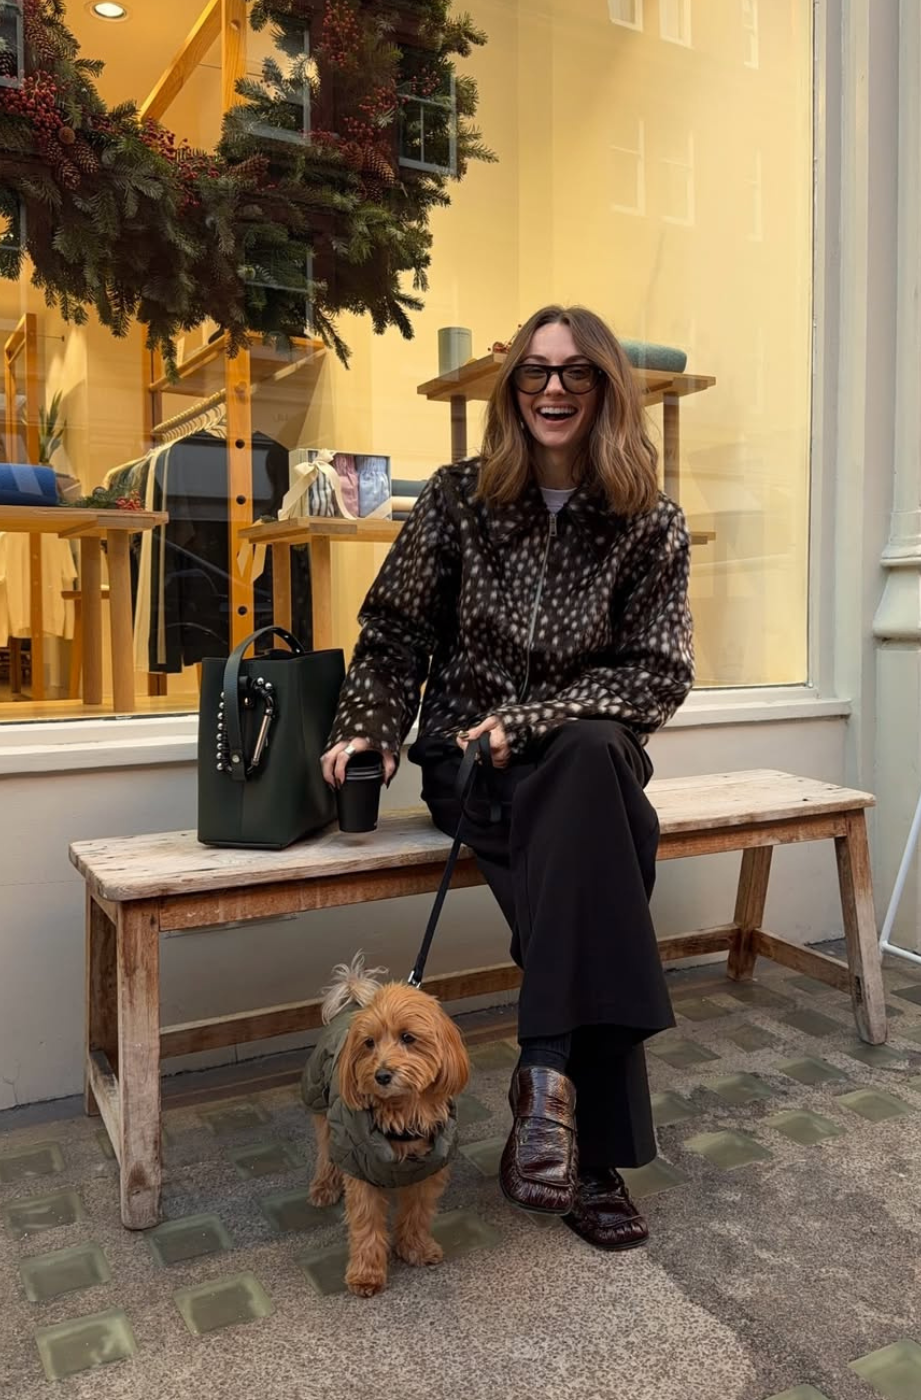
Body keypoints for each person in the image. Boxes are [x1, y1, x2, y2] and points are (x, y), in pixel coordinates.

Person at [321, 304, 694, 1250]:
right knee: (605, 850)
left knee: (589, 760)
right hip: (474, 774)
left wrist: (529, 716)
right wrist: (368, 731)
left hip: (582, 763)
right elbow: (396, 631)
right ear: (513, 390)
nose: (554, 388)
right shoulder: (458, 500)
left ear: (610, 389)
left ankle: (544, 1082)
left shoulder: (649, 523)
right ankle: (591, 1158)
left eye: (577, 373)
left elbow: (658, 670)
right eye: (535, 372)